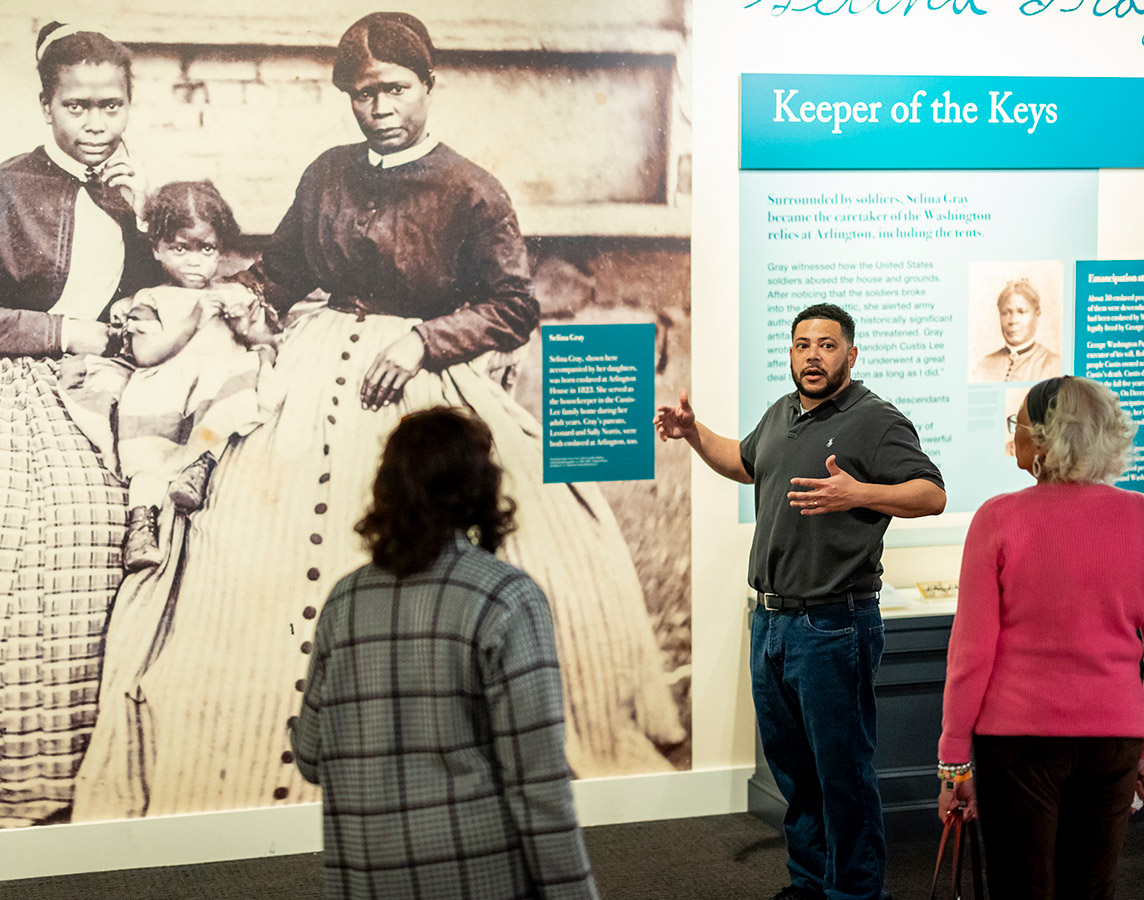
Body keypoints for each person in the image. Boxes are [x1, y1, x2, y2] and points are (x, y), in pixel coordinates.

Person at [72, 10, 682, 824]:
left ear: (428, 87)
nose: (380, 107)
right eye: (363, 95)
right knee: (244, 519)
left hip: (424, 378)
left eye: (394, 88)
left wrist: (425, 343)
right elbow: (282, 271)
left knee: (521, 523)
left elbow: (512, 305)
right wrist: (253, 303)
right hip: (314, 361)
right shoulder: (326, 173)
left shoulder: (471, 187)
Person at [655, 302, 945, 900]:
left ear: (851, 354)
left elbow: (931, 494)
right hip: (772, 623)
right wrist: (692, 433)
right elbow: (743, 461)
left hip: (833, 623)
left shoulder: (876, 420)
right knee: (796, 773)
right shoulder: (782, 412)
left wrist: (858, 492)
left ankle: (857, 894)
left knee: (842, 776)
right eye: (802, 345)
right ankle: (810, 885)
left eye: (827, 345)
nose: (813, 356)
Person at [292, 407, 598, 900]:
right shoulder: (507, 598)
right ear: (479, 486)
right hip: (476, 875)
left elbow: (309, 757)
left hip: (366, 878)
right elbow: (538, 781)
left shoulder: (343, 601)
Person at [937, 376, 1144, 900]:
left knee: (1023, 887)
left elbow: (972, 653)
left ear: (1046, 438)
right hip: (1114, 743)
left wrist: (953, 758)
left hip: (1018, 741)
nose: (1015, 438)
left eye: (1019, 426)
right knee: (1091, 888)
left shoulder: (998, 518)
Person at [0, 22, 159, 827]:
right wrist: (68, 333)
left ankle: (111, 774)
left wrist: (136, 216)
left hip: (105, 381)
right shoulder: (6, 187)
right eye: (77, 107)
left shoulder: (127, 191)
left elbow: (161, 292)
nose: (95, 124)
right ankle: (30, 776)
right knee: (51, 523)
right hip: (19, 380)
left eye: (110, 106)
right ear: (46, 105)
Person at [62, 181, 279, 572]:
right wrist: (195, 319)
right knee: (148, 448)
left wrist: (246, 325)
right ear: (158, 249)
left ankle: (200, 465)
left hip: (211, 384)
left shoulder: (232, 293)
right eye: (181, 248)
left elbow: (265, 339)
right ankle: (141, 525)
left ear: (222, 250)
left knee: (238, 384)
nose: (195, 261)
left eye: (207, 249)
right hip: (166, 382)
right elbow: (146, 354)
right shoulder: (150, 299)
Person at [972, 277, 1062, 382]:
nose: (1013, 321)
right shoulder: (984, 365)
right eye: (1006, 313)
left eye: (1021, 312)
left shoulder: (1054, 365)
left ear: (1037, 315)